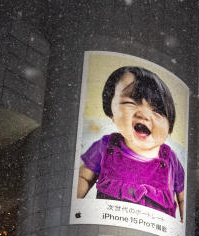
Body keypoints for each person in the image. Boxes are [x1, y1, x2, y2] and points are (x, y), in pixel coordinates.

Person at [76, 66, 186, 221]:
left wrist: (181, 226)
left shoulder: (170, 160)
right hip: (111, 221)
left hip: (154, 231)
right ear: (111, 113)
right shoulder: (106, 146)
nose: (144, 115)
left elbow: (182, 198)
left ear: (169, 129)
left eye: (157, 111)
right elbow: (84, 178)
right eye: (131, 102)